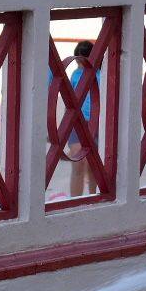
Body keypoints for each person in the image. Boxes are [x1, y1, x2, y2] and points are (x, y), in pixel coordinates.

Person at [65, 40, 98, 197]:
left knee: (93, 165)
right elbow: (69, 100)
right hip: (77, 123)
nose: (78, 64)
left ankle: (92, 197)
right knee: (77, 162)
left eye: (81, 60)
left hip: (96, 123)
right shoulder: (75, 74)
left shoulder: (101, 74)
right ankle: (74, 201)